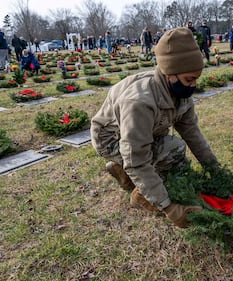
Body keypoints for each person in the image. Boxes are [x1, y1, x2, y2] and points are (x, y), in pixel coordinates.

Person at [91, 27, 218, 228]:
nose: (193, 86)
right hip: (111, 138)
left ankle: (122, 173)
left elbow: (192, 133)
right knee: (173, 150)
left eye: (196, 79)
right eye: (189, 80)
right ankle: (140, 197)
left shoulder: (179, 93)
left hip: (142, 133)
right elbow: (137, 159)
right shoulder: (139, 102)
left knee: (176, 158)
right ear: (170, 73)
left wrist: (214, 168)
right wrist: (168, 207)